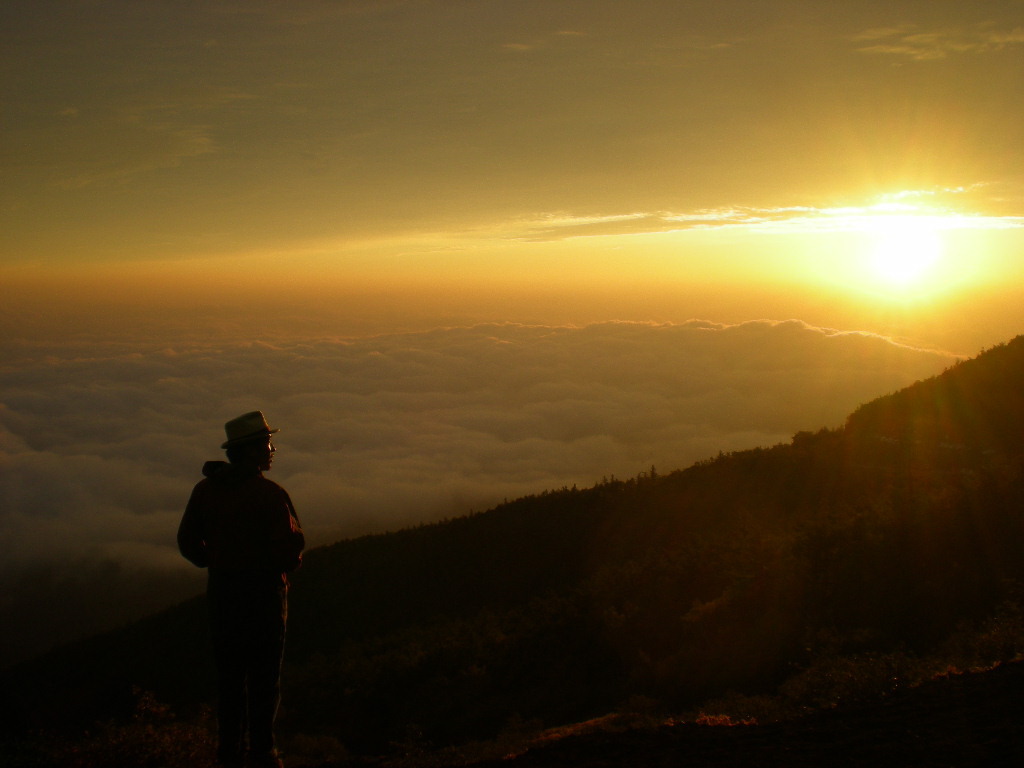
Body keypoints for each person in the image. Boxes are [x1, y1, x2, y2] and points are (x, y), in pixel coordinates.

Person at [178, 411, 305, 768]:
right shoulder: (269, 495)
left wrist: (217, 561)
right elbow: (289, 553)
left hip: (223, 595)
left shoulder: (205, 491)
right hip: (265, 598)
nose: (272, 449)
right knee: (265, 679)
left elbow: (188, 543)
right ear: (250, 451)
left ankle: (228, 752)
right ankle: (263, 753)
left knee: (230, 679)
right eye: (267, 443)